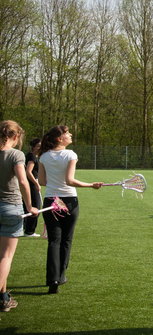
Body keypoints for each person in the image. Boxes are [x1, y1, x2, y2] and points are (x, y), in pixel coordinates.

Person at [38, 125, 102, 294]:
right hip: (68, 201)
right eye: (67, 133)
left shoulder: (43, 156)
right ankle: (61, 275)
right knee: (66, 240)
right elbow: (69, 180)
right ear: (60, 138)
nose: (70, 135)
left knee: (54, 241)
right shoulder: (70, 154)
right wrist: (91, 185)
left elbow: (42, 181)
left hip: (51, 201)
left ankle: (53, 279)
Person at [0, 120, 38, 312]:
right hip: (10, 208)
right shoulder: (16, 154)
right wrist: (30, 206)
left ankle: (4, 298)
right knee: (6, 257)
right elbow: (23, 182)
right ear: (15, 136)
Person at [23, 138, 42, 237]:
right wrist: (36, 183)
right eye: (38, 146)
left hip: (30, 184)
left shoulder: (32, 156)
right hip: (31, 185)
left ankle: (27, 229)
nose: (40, 147)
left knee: (28, 206)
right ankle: (29, 231)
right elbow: (28, 172)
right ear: (33, 147)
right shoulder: (32, 157)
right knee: (36, 207)